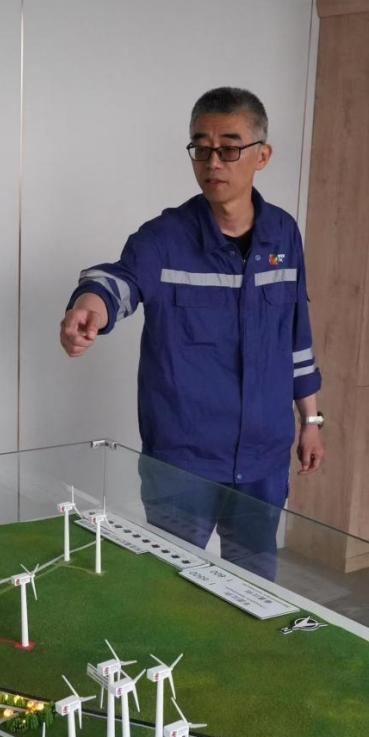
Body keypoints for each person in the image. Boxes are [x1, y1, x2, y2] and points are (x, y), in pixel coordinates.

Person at [60, 87, 325, 580]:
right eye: (201, 149)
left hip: (264, 457)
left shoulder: (284, 235)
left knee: (254, 586)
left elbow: (296, 333)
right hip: (182, 461)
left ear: (262, 155)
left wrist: (312, 420)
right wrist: (90, 306)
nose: (213, 162)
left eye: (229, 148)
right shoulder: (165, 238)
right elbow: (121, 279)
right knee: (173, 586)